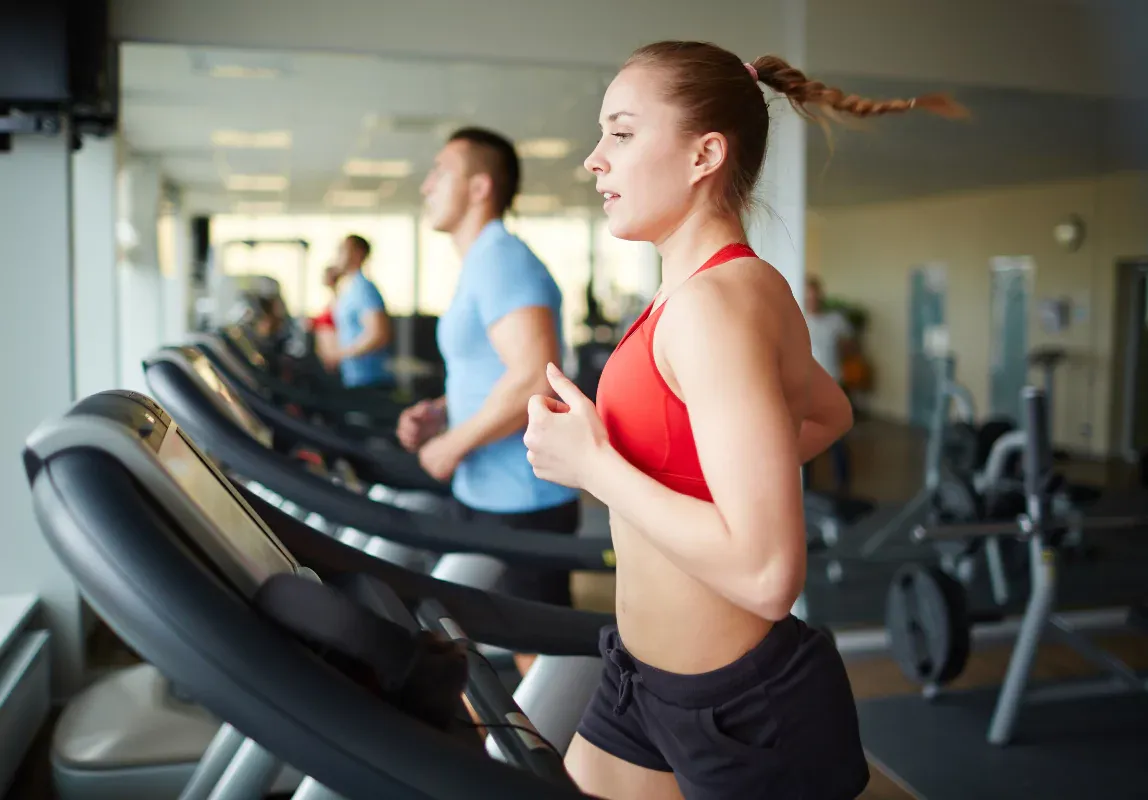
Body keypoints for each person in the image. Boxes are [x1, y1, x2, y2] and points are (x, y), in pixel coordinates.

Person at [522, 41, 965, 799]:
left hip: (740, 710)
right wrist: (712, 473)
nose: (595, 160)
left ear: (705, 155)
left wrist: (595, 466)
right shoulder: (715, 290)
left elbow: (766, 576)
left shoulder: (712, 307)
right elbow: (829, 413)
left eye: (621, 133)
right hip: (643, 683)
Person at [396, 127, 579, 671]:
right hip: (489, 492)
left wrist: (451, 445)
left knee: (546, 664)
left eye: (440, 172)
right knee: (471, 644)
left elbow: (534, 377)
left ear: (479, 187)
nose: (426, 184)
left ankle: (571, 756)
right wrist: (442, 411)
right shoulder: (481, 261)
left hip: (521, 498)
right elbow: (494, 370)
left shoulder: (501, 258)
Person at [803, 275, 854, 493]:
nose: (813, 300)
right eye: (809, 296)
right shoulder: (797, 317)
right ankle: (806, 487)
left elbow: (849, 345)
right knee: (806, 436)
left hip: (834, 384)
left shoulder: (835, 320)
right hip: (807, 387)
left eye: (816, 296)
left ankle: (843, 485)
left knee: (838, 437)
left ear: (821, 296)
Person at [323, 234, 394, 390]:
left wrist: (340, 354)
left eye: (343, 250)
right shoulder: (349, 289)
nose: (338, 255)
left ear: (357, 253)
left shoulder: (364, 289)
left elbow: (378, 335)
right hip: (353, 378)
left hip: (370, 381)